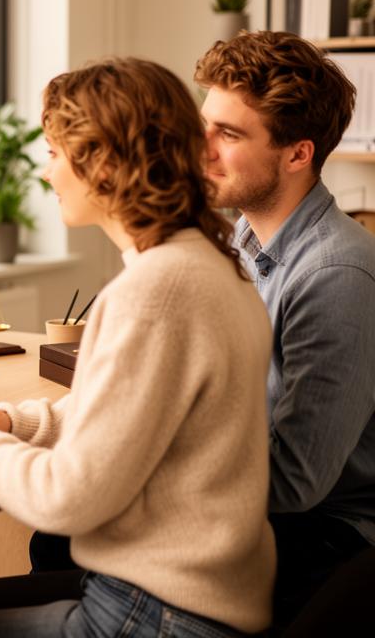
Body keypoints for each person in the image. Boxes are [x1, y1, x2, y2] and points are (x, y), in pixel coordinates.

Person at [0, 58, 275, 637]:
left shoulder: (155, 291)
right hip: (191, 597)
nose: (46, 172)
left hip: (159, 614)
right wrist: (14, 420)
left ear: (103, 164)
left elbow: (66, 500)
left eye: (55, 153)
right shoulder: (209, 265)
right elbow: (133, 414)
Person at [195, 30, 375, 627]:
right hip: (262, 505)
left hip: (324, 537)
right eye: (206, 125)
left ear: (298, 154)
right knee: (61, 535)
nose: (203, 149)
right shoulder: (245, 239)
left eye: (228, 134)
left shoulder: (336, 273)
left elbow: (296, 482)